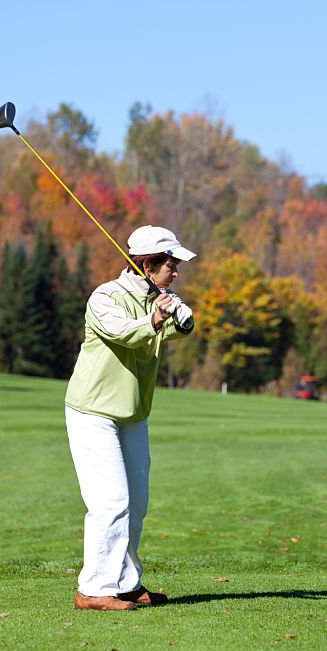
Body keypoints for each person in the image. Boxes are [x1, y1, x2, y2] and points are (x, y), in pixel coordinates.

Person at [64, 225, 196, 611]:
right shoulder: (105, 297)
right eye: (172, 265)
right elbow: (126, 334)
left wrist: (181, 317)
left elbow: (179, 331)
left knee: (136, 502)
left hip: (133, 413)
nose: (177, 272)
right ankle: (92, 589)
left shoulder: (158, 297)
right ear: (149, 264)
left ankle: (125, 582)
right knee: (111, 501)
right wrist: (156, 319)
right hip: (93, 411)